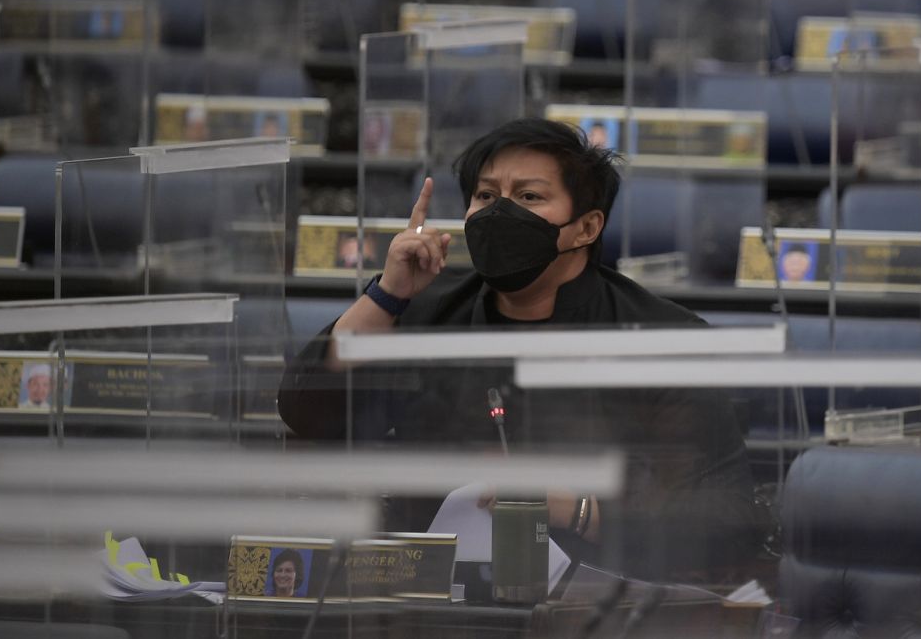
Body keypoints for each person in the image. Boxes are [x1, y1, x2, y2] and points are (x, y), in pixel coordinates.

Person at [279, 118, 760, 580]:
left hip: (596, 608)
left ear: (586, 228)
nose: (498, 213)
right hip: (434, 603)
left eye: (528, 196)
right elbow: (311, 415)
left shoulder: (659, 339)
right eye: (486, 196)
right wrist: (388, 294)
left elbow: (727, 519)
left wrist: (577, 509)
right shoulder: (428, 314)